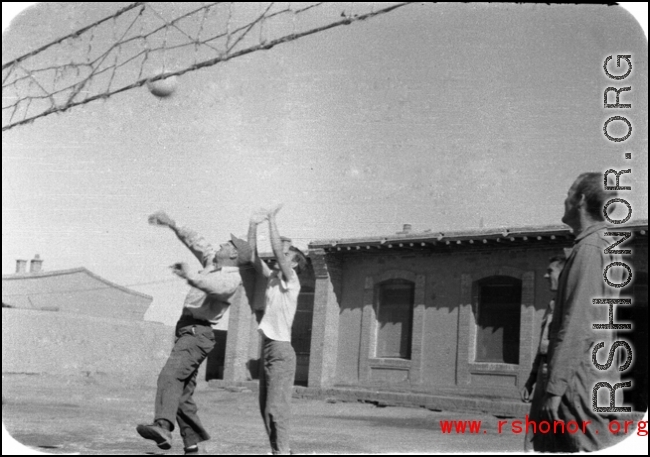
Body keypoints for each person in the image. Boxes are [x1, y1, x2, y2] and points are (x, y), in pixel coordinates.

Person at [137, 210, 251, 455]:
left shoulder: (231, 279)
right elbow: (197, 241)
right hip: (187, 330)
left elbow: (213, 286)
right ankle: (192, 447)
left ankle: (162, 427)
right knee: (181, 394)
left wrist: (189, 276)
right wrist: (173, 224)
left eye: (227, 243)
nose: (221, 243)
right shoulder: (213, 262)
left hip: (197, 334)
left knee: (169, 377)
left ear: (234, 253)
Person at [539, 172, 625, 452]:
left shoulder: (589, 249)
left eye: (568, 193)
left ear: (581, 199)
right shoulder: (599, 244)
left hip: (578, 384)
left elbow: (578, 325)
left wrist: (554, 387)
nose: (564, 200)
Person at [248, 205, 308, 455]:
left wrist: (271, 219)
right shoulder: (273, 278)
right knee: (265, 408)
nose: (282, 252)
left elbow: (276, 250)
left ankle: (282, 451)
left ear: (293, 262)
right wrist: (253, 224)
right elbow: (250, 257)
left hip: (282, 351)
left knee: (276, 408)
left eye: (287, 252)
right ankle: (281, 450)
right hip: (269, 348)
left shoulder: (291, 279)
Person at [521, 255, 565, 451]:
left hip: (559, 377)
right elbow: (542, 347)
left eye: (551, 272)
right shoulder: (553, 305)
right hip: (543, 374)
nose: (546, 276)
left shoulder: (570, 307)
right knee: (534, 435)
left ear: (563, 275)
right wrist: (531, 380)